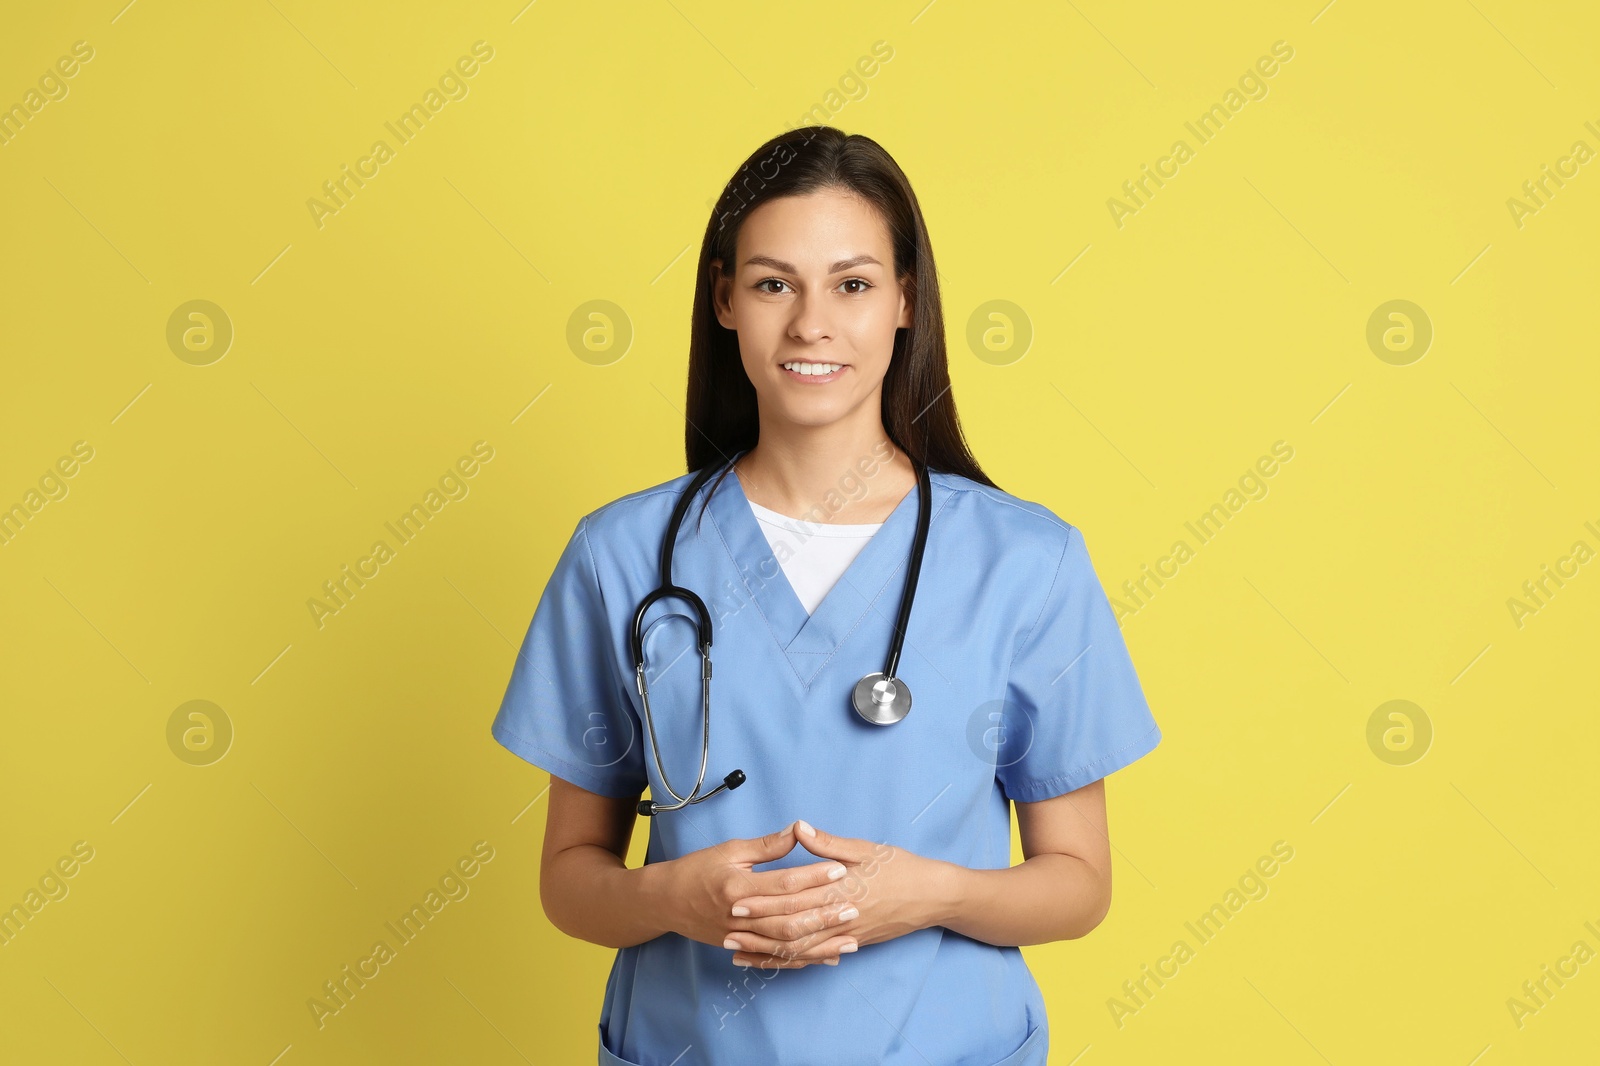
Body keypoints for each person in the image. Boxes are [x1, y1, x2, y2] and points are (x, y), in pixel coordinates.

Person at [491, 125, 1161, 1066]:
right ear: (725, 300)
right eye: (773, 283)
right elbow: (570, 882)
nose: (811, 322)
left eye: (851, 284)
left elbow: (1078, 885)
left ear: (903, 304)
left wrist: (926, 895)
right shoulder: (624, 555)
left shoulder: (1025, 561)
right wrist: (672, 897)